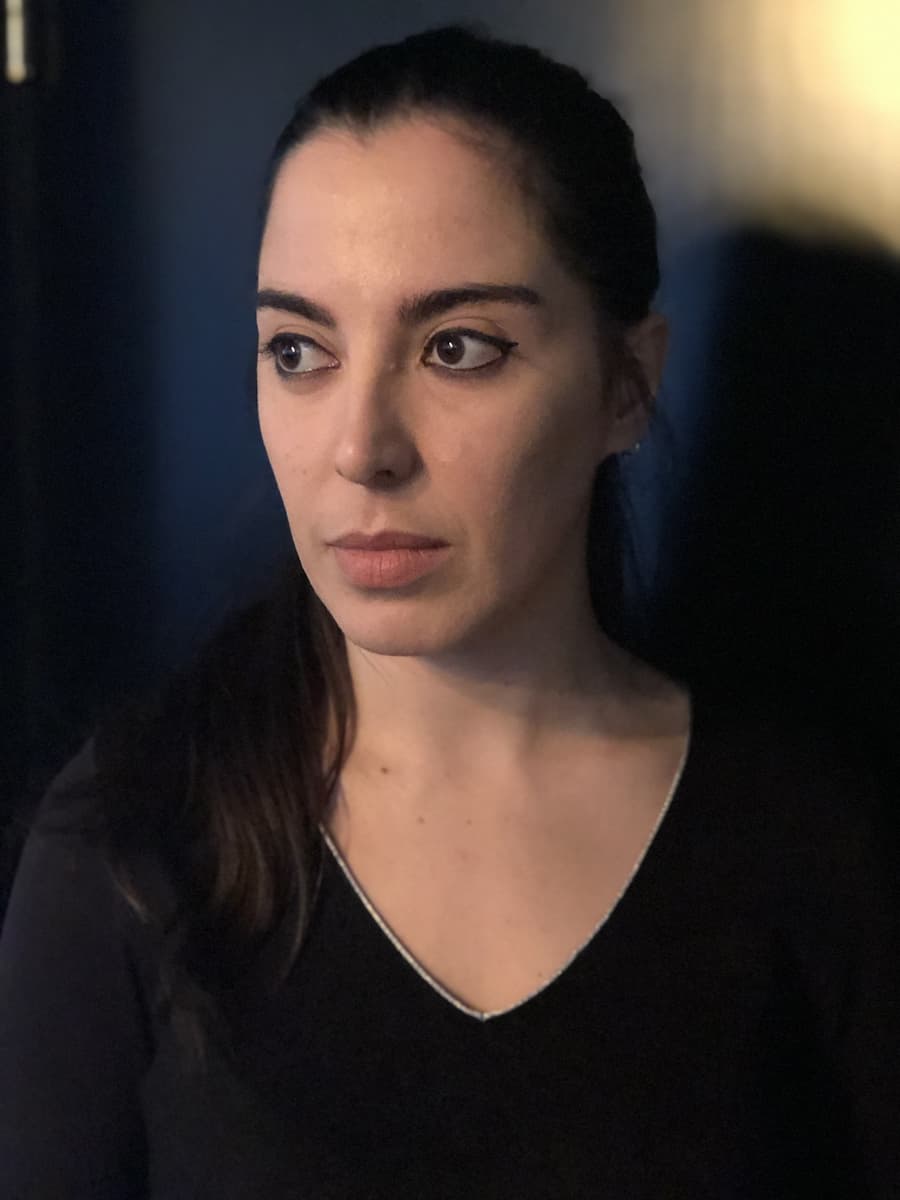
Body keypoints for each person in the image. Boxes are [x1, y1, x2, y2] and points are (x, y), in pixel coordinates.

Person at [1, 23, 897, 1199]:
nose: (362, 448)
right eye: (298, 351)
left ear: (627, 384)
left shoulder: (809, 848)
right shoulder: (136, 837)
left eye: (458, 347)